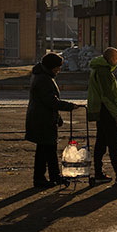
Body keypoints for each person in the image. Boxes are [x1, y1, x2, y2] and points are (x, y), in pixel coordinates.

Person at [25, 53, 78, 188]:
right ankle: (41, 179)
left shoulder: (42, 76)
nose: (58, 70)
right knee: (45, 151)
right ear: (51, 66)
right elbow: (51, 101)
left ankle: (53, 176)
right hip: (42, 121)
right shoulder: (43, 79)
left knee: (48, 150)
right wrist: (69, 106)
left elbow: (48, 103)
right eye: (57, 67)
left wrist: (58, 118)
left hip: (43, 119)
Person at [87, 47, 117, 185]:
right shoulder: (104, 72)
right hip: (106, 112)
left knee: (101, 143)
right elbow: (107, 96)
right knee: (114, 144)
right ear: (111, 59)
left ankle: (99, 174)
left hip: (100, 110)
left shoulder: (97, 69)